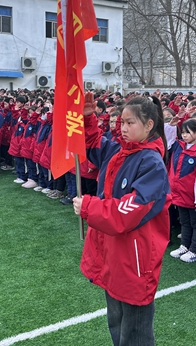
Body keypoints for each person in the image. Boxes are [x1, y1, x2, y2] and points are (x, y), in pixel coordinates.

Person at [73, 93, 170, 346]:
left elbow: (127, 212)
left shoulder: (151, 162)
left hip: (135, 259)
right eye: (122, 122)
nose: (123, 128)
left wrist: (89, 207)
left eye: (130, 123)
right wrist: (87, 118)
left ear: (149, 125)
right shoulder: (119, 150)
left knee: (135, 332)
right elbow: (94, 143)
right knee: (116, 321)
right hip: (114, 253)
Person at [168, 118, 196, 263]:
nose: (184, 135)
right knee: (184, 221)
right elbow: (166, 141)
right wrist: (171, 126)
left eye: (188, 132)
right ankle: (184, 245)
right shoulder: (179, 146)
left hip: (192, 195)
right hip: (179, 193)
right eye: (183, 132)